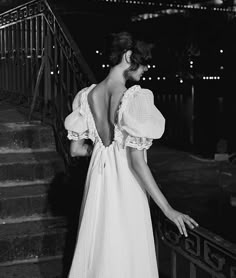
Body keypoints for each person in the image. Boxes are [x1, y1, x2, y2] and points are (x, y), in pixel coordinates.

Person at [64, 31, 199, 278]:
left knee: (100, 246)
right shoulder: (133, 97)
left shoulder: (86, 96)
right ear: (128, 56)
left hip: (98, 184)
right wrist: (168, 209)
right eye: (144, 61)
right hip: (125, 184)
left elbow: (76, 149)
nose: (146, 68)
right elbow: (137, 163)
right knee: (127, 251)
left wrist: (103, 152)